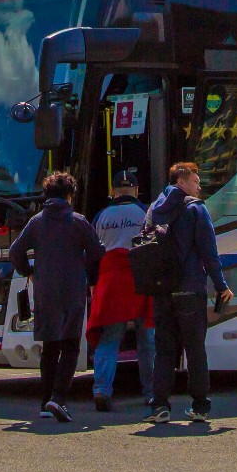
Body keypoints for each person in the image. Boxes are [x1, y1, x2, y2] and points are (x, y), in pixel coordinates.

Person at [7, 171, 104, 423]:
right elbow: (96, 252)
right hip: (72, 290)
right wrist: (90, 276)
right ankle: (59, 398)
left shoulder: (37, 222)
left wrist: (28, 272)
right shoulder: (78, 221)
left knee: (50, 346)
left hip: (45, 291)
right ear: (69, 195)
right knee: (71, 345)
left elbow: (16, 250)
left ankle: (44, 401)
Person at [146, 161, 228, 425]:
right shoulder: (195, 209)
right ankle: (200, 406)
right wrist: (221, 285)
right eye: (195, 181)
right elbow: (209, 252)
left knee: (164, 350)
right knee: (195, 349)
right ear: (181, 182)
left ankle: (159, 406)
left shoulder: (154, 210)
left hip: (162, 290)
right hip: (190, 289)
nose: (199, 186)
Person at [85, 170, 154, 413]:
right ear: (136, 190)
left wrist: (93, 283)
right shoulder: (146, 212)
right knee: (147, 338)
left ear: (113, 191)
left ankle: (102, 389)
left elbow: (92, 253)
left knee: (109, 338)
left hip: (111, 281)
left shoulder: (101, 216)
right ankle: (151, 393)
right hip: (140, 279)